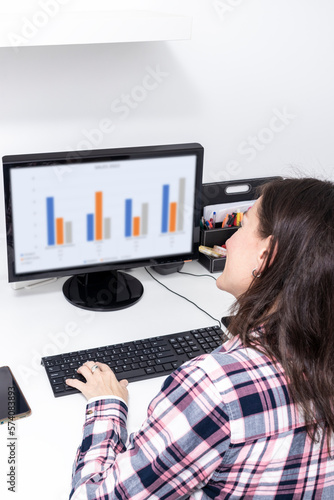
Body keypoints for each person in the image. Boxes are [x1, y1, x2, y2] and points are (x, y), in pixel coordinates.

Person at [66, 177, 334, 499]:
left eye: (241, 225)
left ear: (266, 255)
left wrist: (107, 404)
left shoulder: (216, 389)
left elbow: (95, 496)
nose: (228, 242)